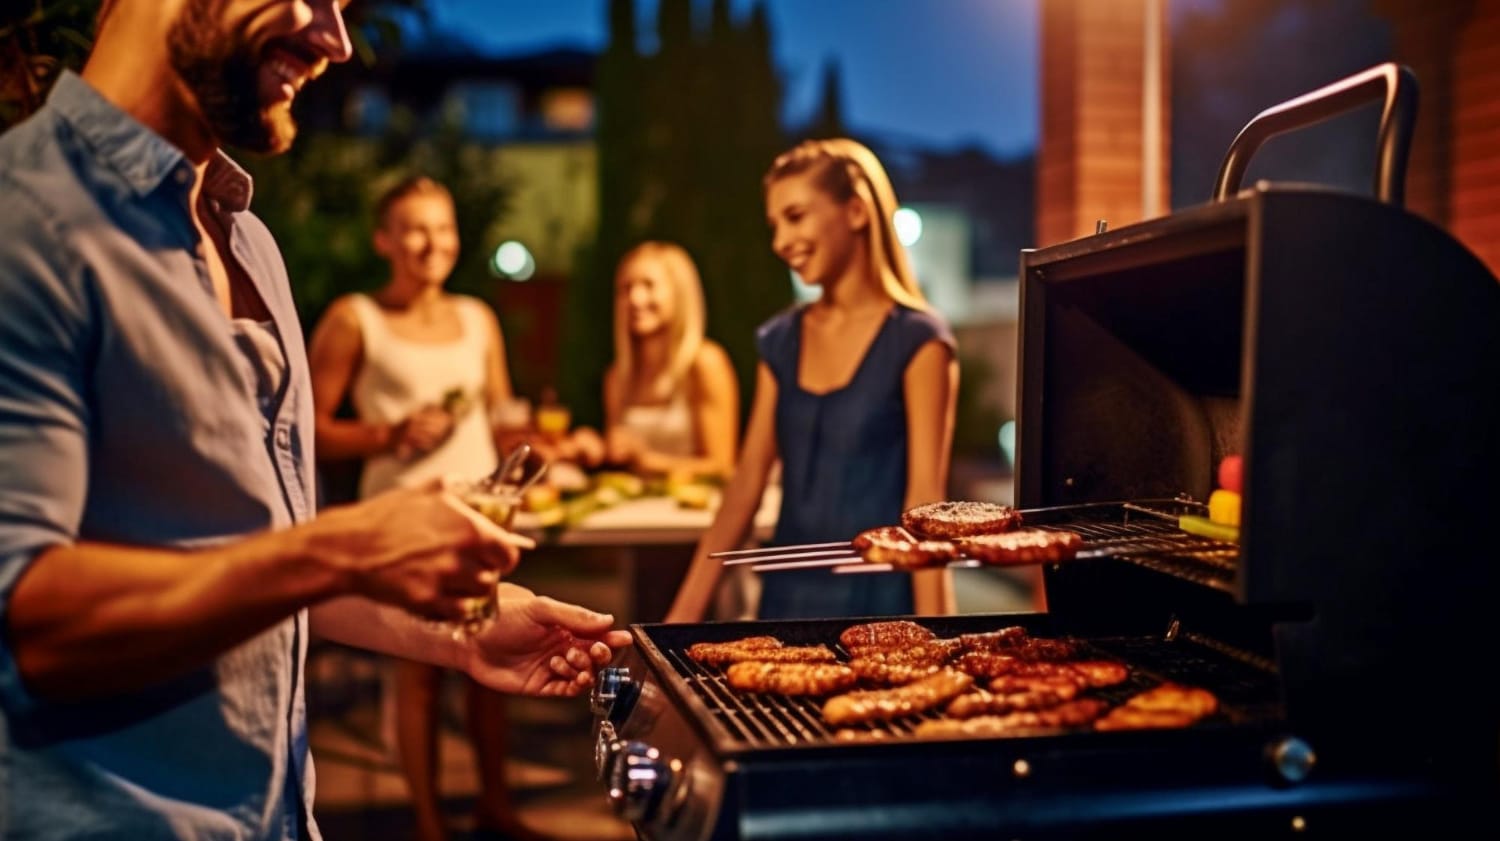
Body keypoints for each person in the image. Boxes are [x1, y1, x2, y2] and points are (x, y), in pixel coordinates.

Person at [0, 2, 629, 840]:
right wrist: (352, 541)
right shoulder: (26, 218)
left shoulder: (249, 241)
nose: (334, 41)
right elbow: (28, 623)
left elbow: (261, 561)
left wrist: (459, 630)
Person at [306, 175, 549, 841]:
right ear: (385, 239)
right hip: (403, 519)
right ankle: (428, 823)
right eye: (414, 228)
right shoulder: (356, 318)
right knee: (417, 673)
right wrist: (387, 433)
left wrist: (534, 449)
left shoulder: (478, 318)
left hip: (481, 518)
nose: (431, 242)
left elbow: (502, 413)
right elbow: (308, 424)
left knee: (490, 669)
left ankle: (495, 808)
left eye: (442, 227)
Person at [665, 138, 960, 623]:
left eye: (796, 216)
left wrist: (943, 639)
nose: (780, 242)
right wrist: (675, 624)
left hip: (885, 615)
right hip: (783, 607)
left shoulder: (920, 340)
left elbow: (925, 505)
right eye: (774, 225)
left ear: (857, 212)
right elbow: (745, 487)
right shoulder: (779, 340)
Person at [603, 241, 740, 480]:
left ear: (679, 293)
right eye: (626, 288)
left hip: (691, 514)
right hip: (632, 512)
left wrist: (646, 460)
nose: (635, 298)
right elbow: (619, 462)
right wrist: (597, 451)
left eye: (648, 285)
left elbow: (722, 467)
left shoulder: (705, 363)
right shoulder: (618, 376)